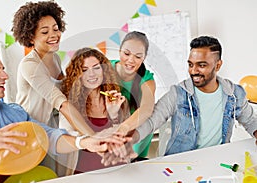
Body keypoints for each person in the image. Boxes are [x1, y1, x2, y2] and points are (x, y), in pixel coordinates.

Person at [0, 48, 127, 183]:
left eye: (3, 70)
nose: (5, 76)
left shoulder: (13, 113)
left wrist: (84, 142)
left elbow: (48, 136)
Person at [122, 36, 257, 161]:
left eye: (201, 65)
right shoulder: (178, 93)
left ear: (218, 65)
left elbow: (250, 121)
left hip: (217, 160)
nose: (193, 71)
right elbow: (152, 121)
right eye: (191, 64)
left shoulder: (234, 94)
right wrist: (128, 140)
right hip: (182, 163)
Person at [11, 1, 97, 175]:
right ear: (30, 37)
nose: (54, 34)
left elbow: (66, 90)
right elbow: (62, 103)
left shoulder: (55, 58)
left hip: (54, 128)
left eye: (56, 28)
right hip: (33, 131)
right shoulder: (30, 65)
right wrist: (92, 137)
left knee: (61, 177)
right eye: (45, 31)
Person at [60, 47, 130, 173]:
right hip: (84, 173)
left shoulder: (116, 99)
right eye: (84, 70)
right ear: (77, 75)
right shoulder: (69, 105)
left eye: (96, 68)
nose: (91, 74)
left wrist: (114, 115)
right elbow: (65, 139)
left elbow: (126, 138)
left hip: (117, 169)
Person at [110, 31, 156, 159]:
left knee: (131, 168)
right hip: (109, 130)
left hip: (135, 131)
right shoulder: (105, 69)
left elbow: (146, 109)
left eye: (138, 56)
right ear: (119, 51)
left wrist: (123, 129)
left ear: (144, 58)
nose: (131, 60)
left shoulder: (147, 79)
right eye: (126, 53)